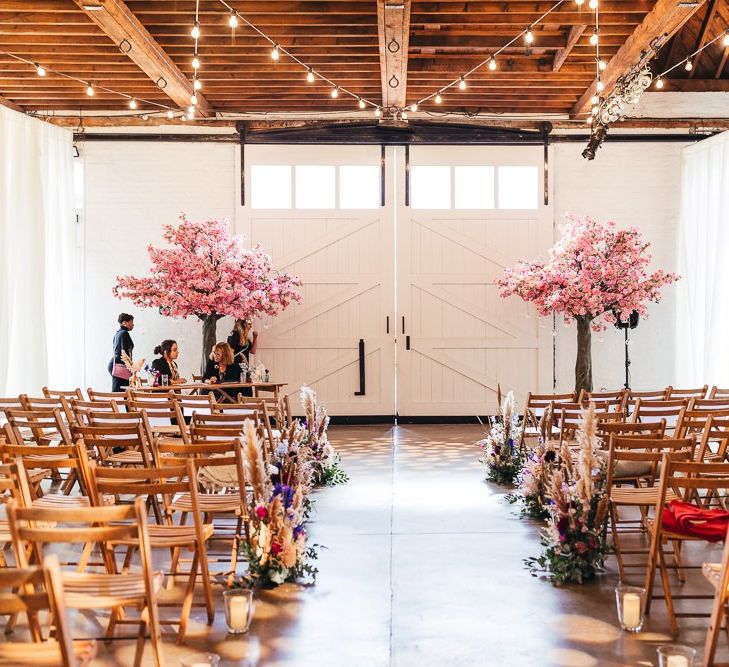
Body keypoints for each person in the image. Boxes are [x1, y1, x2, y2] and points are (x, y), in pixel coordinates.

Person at [227, 319, 258, 396]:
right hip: (235, 368)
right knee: (236, 390)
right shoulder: (235, 335)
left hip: (244, 368)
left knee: (246, 390)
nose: (251, 326)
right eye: (249, 324)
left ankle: (246, 406)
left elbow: (253, 351)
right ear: (244, 324)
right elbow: (231, 352)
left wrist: (255, 338)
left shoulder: (246, 339)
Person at [109, 313, 134, 392]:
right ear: (124, 323)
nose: (133, 324)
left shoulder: (118, 333)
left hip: (115, 364)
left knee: (121, 393)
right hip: (120, 366)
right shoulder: (124, 333)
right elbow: (125, 353)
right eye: (131, 322)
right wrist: (131, 367)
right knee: (125, 393)